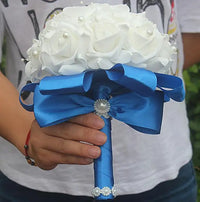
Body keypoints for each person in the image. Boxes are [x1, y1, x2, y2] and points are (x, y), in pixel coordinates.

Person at [0, 0, 200, 201]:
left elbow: (194, 27)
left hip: (165, 168)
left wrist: (130, 78)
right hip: (32, 180)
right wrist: (23, 131)